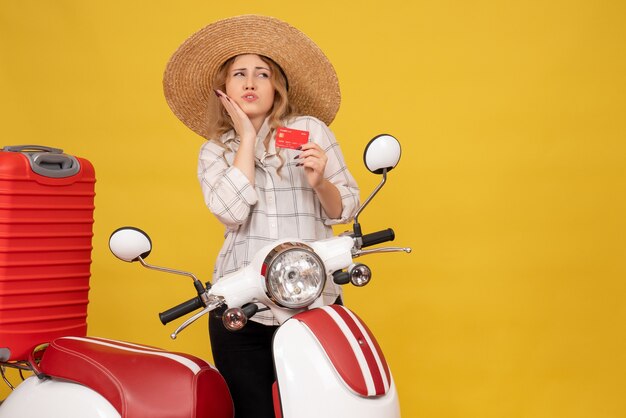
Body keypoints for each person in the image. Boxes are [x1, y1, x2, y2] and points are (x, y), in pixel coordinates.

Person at [162, 15, 360, 418]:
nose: (250, 83)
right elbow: (231, 213)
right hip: (242, 303)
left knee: (326, 407)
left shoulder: (308, 131)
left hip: (313, 302)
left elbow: (345, 210)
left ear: (277, 87)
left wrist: (320, 180)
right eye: (239, 74)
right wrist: (247, 140)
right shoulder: (215, 152)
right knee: (252, 410)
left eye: (262, 74)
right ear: (225, 90)